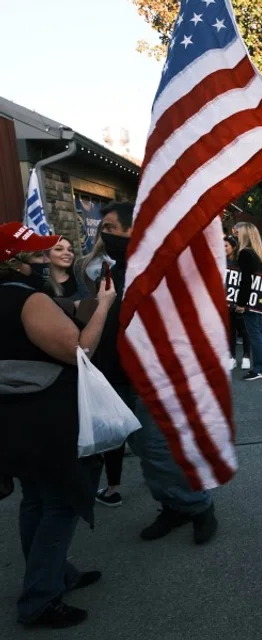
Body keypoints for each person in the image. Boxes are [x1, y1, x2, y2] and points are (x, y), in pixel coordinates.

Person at [0, 222, 114, 628]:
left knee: (36, 500)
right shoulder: (26, 299)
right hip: (46, 418)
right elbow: (79, 351)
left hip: (14, 419)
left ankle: (51, 576)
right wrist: (102, 306)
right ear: (19, 262)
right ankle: (40, 599)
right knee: (61, 504)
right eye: (39, 254)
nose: (47, 259)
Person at [94, 202, 219, 540]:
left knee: (159, 449)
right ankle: (173, 507)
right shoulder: (113, 270)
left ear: (133, 231)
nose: (102, 235)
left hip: (154, 377)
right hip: (117, 375)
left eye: (109, 228)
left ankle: (198, 506)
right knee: (147, 452)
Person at [235, 222, 262, 380]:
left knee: (254, 333)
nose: (235, 235)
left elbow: (245, 281)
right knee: (260, 332)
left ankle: (260, 368)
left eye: (238, 232)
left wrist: (241, 303)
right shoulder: (259, 252)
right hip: (259, 297)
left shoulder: (245, 253)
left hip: (249, 298)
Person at [225, 235, 251, 371]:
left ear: (233, 247)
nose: (223, 249)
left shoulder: (240, 261)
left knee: (243, 330)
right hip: (227, 302)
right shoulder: (221, 261)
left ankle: (246, 357)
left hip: (239, 301)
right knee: (230, 331)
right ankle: (232, 357)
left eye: (226, 246)